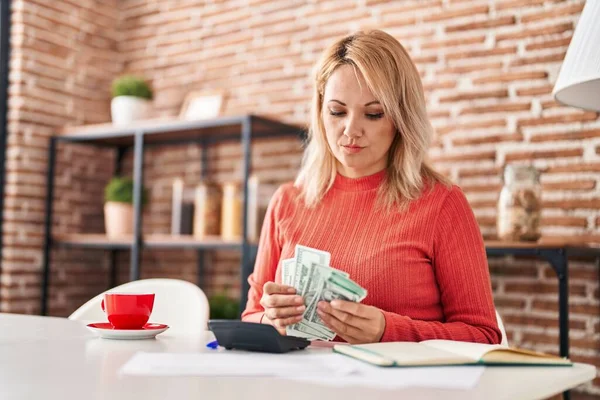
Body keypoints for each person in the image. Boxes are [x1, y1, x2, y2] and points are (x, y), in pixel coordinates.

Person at [241, 29, 501, 345]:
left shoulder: (442, 204)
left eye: (374, 114)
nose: (351, 130)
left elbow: (483, 336)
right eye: (337, 111)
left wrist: (387, 331)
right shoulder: (287, 201)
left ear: (401, 119)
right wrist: (271, 318)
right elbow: (251, 316)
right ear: (321, 111)